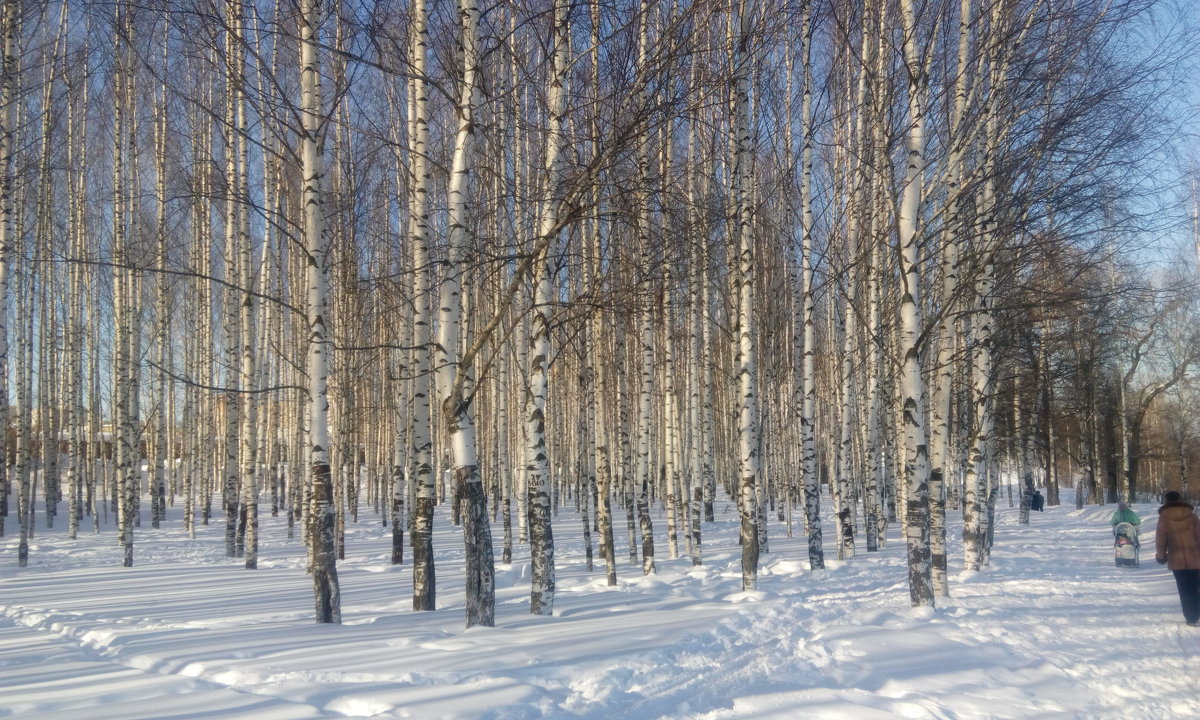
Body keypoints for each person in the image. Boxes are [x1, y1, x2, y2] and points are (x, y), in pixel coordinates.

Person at [1155, 491, 1200, 627]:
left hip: (1177, 561)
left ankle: (1191, 618)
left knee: (1184, 589)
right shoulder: (1192, 517)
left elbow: (1160, 540)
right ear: (1180, 499)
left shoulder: (1164, 518)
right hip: (1196, 558)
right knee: (1197, 587)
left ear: (1166, 501)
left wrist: (1161, 556)